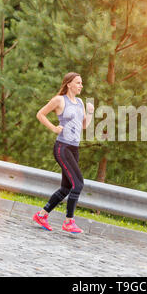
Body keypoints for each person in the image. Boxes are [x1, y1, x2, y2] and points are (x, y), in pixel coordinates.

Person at [33, 72, 94, 233]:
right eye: (78, 83)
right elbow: (40, 114)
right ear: (69, 84)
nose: (81, 85)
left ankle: (42, 215)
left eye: (82, 83)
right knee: (78, 183)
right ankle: (69, 221)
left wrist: (90, 113)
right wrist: (54, 128)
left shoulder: (80, 102)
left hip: (74, 148)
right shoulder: (60, 100)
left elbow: (84, 126)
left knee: (66, 187)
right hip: (62, 148)